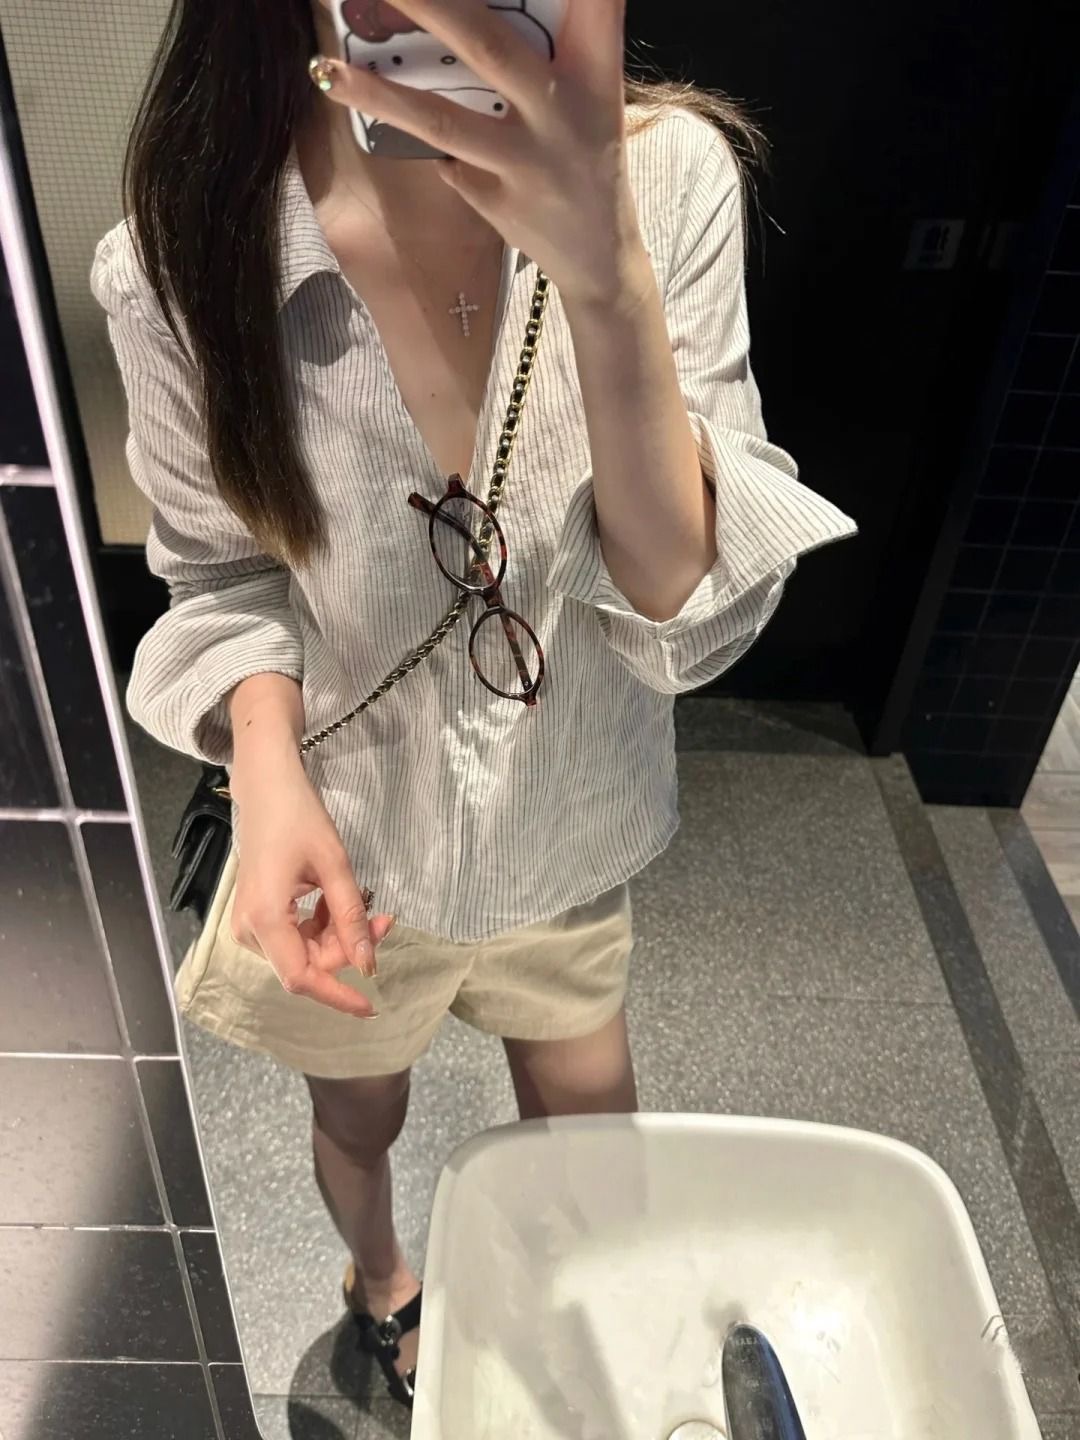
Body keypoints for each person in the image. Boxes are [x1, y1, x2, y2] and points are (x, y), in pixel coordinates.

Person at [91, 0, 855, 1409]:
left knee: (590, 1137)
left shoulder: (665, 176)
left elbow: (678, 600)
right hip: (349, 841)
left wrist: (606, 277)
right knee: (358, 1114)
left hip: (567, 823)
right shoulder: (184, 251)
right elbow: (220, 573)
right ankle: (381, 1278)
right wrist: (265, 769)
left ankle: (577, 1319)